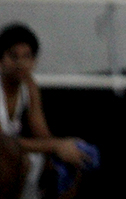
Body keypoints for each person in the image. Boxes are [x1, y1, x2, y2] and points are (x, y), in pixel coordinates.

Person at [0, 23, 99, 199]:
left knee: (69, 162)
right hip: (6, 156)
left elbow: (42, 134)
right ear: (1, 59)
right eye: (13, 56)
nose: (20, 63)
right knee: (20, 161)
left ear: (34, 61)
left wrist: (68, 148)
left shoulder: (29, 86)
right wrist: (56, 146)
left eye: (27, 57)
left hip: (15, 152)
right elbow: (2, 141)